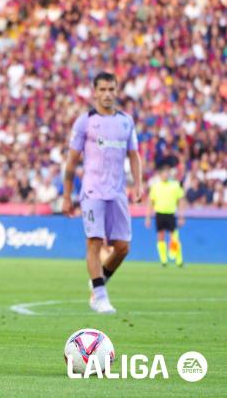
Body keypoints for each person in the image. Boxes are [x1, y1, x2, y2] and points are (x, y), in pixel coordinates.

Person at [62, 72, 143, 314]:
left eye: (111, 89)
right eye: (103, 90)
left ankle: (98, 281)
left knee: (122, 247)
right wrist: (67, 196)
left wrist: (138, 184)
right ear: (95, 92)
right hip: (92, 190)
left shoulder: (126, 122)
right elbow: (71, 161)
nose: (107, 94)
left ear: (116, 91)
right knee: (94, 242)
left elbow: (134, 155)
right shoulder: (85, 122)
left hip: (117, 192)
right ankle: (100, 295)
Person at [145, 165, 185, 267]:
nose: (165, 175)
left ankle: (178, 260)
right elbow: (150, 202)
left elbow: (180, 200)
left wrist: (181, 216)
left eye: (167, 173)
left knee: (174, 237)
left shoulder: (175, 185)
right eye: (164, 173)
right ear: (160, 175)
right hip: (159, 214)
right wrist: (148, 217)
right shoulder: (156, 186)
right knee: (160, 236)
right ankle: (164, 260)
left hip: (170, 214)